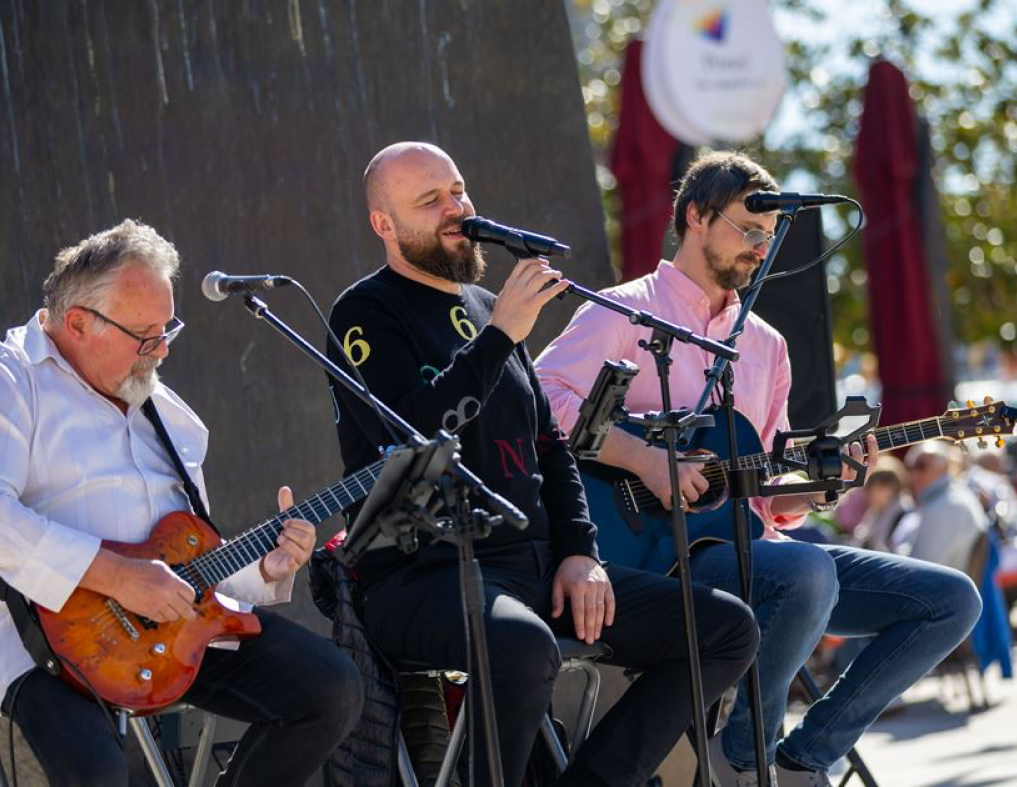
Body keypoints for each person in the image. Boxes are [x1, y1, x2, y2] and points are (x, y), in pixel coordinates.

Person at [535, 150, 982, 787]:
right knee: (806, 570)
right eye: (747, 230)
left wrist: (819, 487)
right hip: (653, 560)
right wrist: (645, 459)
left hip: (757, 555)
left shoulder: (766, 345)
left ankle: (801, 758)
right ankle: (746, 761)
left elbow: (764, 488)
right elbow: (540, 399)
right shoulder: (622, 310)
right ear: (695, 216)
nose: (760, 248)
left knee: (950, 600)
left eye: (768, 237)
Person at [326, 142, 760, 786]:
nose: (456, 209)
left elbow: (550, 446)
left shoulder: (486, 306)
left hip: (531, 565)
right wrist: (500, 336)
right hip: (423, 575)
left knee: (726, 629)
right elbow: (410, 433)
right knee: (522, 645)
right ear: (383, 224)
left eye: (458, 190)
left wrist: (581, 552)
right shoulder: (364, 313)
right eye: (430, 201)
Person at [0, 220, 363, 787]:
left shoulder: (165, 410)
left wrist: (266, 568)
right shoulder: (2, 379)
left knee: (332, 689)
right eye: (144, 335)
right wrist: (119, 577)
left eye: (167, 330)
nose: (161, 350)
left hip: (174, 635)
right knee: (100, 774)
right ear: (77, 323)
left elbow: (189, 560)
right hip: (45, 643)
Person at [891, 442, 988, 572]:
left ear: (943, 467)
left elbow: (921, 568)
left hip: (939, 583)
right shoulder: (946, 498)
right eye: (910, 468)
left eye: (921, 466)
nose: (914, 474)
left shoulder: (948, 505)